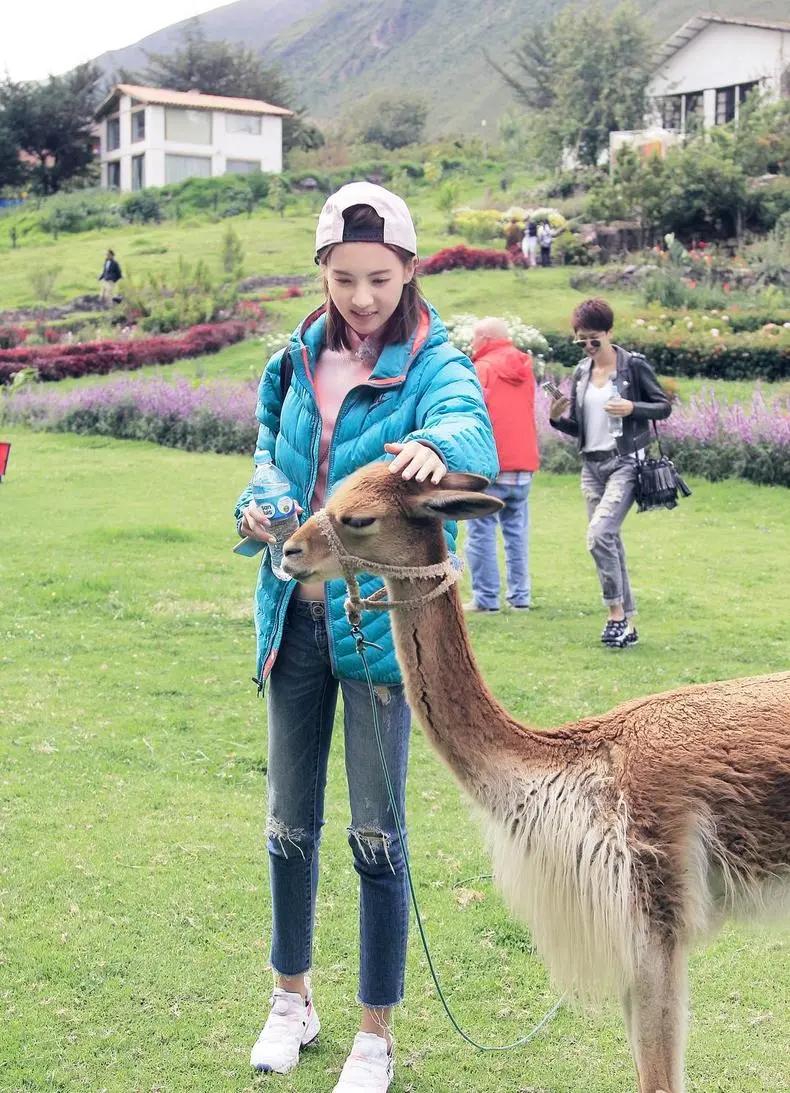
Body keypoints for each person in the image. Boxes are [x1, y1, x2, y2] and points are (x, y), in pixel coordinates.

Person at [234, 182, 498, 1091]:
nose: (360, 297)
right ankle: (289, 999)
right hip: (292, 621)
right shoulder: (292, 360)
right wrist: (260, 494)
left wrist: (441, 446)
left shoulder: (435, 361)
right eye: (343, 278)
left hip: (382, 635)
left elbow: (471, 427)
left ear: (410, 270)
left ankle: (374, 1035)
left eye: (378, 278)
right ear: (322, 272)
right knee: (286, 824)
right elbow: (269, 446)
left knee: (376, 832)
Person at [548, 297, 671, 648]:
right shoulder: (580, 373)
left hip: (626, 462)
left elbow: (663, 407)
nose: (587, 346)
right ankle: (626, 623)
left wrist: (633, 407)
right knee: (610, 540)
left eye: (593, 339)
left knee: (599, 534)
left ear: (609, 333)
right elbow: (579, 428)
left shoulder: (633, 366)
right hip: (591, 465)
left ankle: (614, 615)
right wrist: (557, 417)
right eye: (580, 340)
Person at [464, 317, 539, 612]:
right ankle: (521, 597)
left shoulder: (481, 370)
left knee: (480, 531)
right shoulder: (525, 368)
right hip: (522, 466)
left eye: (473, 339)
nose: (471, 345)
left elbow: (472, 418)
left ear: (484, 338)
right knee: (516, 533)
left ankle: (486, 598)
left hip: (492, 466)